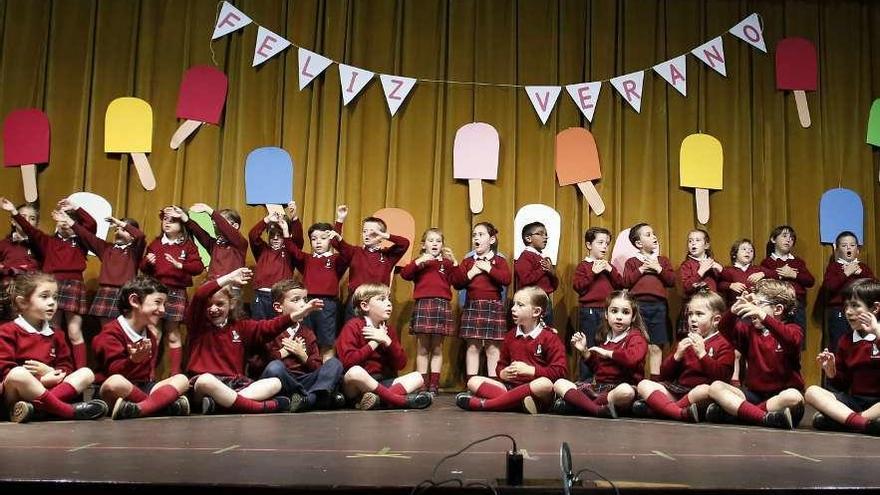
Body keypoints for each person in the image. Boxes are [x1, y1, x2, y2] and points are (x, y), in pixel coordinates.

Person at [186, 267, 322, 414]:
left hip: (235, 384)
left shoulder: (241, 327)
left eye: (219, 304)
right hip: (205, 384)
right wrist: (229, 277)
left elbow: (268, 327)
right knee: (206, 380)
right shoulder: (197, 325)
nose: (213, 309)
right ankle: (264, 406)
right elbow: (200, 295)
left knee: (275, 383)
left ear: (231, 304)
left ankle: (220, 404)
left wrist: (296, 315)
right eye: (209, 305)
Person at [1, 197, 95, 369]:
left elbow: (91, 224)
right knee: (52, 327)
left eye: (69, 219)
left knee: (74, 331)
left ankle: (80, 372)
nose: (65, 222)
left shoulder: (81, 241)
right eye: (61, 218)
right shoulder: (48, 241)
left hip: (73, 284)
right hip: (52, 284)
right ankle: (49, 365)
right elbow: (29, 229)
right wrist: (14, 212)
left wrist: (75, 208)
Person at [0, 272, 107, 423]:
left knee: (86, 373)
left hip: (49, 390)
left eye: (55, 297)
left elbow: (66, 367)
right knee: (17, 373)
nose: (52, 303)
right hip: (16, 395)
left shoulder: (57, 334)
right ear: (23, 302)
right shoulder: (7, 331)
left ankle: (36, 409)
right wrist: (41, 380)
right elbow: (5, 371)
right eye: (44, 297)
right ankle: (68, 411)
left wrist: (50, 372)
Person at [707, 279, 805, 430]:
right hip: (754, 395)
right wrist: (734, 310)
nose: (752, 308)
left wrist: (764, 317)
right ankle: (763, 417)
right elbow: (724, 329)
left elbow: (791, 340)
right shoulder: (749, 331)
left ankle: (741, 414)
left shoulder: (793, 329)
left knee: (794, 397)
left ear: (778, 309)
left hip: (780, 398)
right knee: (715, 387)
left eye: (758, 304)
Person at [92, 276, 190, 420]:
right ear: (134, 301)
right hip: (117, 388)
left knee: (182, 379)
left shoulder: (149, 335)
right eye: (157, 302)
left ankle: (141, 409)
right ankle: (160, 406)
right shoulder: (110, 333)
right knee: (116, 382)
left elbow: (146, 377)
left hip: (142, 388)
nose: (162, 310)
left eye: (164, 304)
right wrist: (133, 360)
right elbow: (113, 373)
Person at [456, 287, 566, 414]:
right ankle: (518, 403)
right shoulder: (510, 336)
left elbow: (559, 371)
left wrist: (531, 371)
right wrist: (502, 373)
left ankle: (488, 404)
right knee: (473, 382)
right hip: (511, 387)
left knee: (545, 384)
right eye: (514, 304)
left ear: (536, 312)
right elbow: (501, 364)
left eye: (520, 305)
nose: (513, 309)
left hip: (538, 391)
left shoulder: (549, 337)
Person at [633, 290, 734, 422]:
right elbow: (664, 375)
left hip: (701, 393)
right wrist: (676, 356)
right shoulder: (684, 342)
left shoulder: (724, 344)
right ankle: (679, 413)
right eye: (690, 314)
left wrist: (702, 354)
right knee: (644, 384)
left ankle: (662, 409)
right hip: (679, 391)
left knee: (703, 390)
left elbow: (721, 377)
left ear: (716, 320)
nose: (692, 319)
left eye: (699, 314)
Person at [552, 290, 648, 418]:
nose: (619, 316)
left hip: (621, 387)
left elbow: (632, 359)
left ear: (633, 317)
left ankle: (581, 406)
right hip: (600, 388)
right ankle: (597, 409)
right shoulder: (605, 337)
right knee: (559, 383)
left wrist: (609, 353)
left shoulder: (636, 337)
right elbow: (600, 369)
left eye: (625, 312)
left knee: (626, 391)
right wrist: (585, 352)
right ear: (606, 315)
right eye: (614, 311)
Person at [336, 283, 432, 410]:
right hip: (357, 386)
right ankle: (400, 401)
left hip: (382, 383)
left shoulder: (388, 330)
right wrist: (374, 343)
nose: (389, 303)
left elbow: (401, 364)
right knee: (355, 372)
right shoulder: (353, 326)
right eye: (382, 299)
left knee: (418, 377)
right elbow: (348, 362)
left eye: (389, 299)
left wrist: (387, 341)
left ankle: (377, 400)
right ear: (365, 306)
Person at [805, 278, 880, 434]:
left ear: (875, 308)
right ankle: (862, 423)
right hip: (855, 401)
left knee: (822, 420)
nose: (848, 312)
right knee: (812, 391)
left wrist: (876, 332)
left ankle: (846, 420)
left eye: (855, 306)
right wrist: (832, 372)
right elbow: (841, 386)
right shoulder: (845, 340)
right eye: (846, 306)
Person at [260, 279, 345, 412]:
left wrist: (303, 355)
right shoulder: (268, 330)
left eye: (305, 300)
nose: (303, 305)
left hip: (305, 381)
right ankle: (316, 398)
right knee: (275, 367)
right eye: (296, 300)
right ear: (278, 307)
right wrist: (283, 353)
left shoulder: (307, 333)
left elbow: (317, 367)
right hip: (283, 381)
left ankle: (308, 399)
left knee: (334, 364)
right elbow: (258, 364)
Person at [140, 206, 204, 375]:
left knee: (173, 334)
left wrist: (180, 265)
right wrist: (148, 262)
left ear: (181, 224)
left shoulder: (188, 246)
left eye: (172, 220)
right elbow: (143, 269)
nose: (167, 223)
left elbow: (198, 267)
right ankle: (148, 374)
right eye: (165, 219)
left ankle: (175, 376)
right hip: (156, 292)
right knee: (153, 333)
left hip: (176, 292)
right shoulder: (155, 244)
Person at [400, 228, 457, 395]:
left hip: (441, 305)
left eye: (438, 241)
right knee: (423, 348)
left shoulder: (445, 264)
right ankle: (422, 384)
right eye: (431, 240)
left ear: (442, 245)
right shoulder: (420, 262)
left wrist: (454, 262)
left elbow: (458, 279)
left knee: (437, 348)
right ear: (424, 245)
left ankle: (434, 385)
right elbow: (405, 274)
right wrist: (419, 262)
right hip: (424, 304)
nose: (434, 243)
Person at [451, 222, 511, 381]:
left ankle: (493, 384)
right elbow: (457, 282)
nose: (476, 238)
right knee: (472, 346)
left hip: (493, 306)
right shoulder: (469, 261)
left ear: (491, 240)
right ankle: (472, 384)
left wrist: (488, 268)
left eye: (481, 234)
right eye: (474, 235)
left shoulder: (499, 261)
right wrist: (472, 272)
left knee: (492, 347)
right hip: (473, 305)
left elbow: (506, 279)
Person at [74, 215, 145, 326]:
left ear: (132, 236)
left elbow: (140, 235)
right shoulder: (106, 248)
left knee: (124, 329)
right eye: (116, 230)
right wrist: (70, 220)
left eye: (124, 230)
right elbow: (86, 236)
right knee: (107, 329)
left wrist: (119, 223)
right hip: (106, 292)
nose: (118, 232)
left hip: (125, 293)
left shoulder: (134, 251)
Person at [572, 227, 622, 380]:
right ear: (588, 245)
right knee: (589, 346)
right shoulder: (584, 266)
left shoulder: (608, 267)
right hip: (590, 312)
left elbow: (620, 284)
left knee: (607, 345)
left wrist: (610, 269)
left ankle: (605, 379)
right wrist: (592, 272)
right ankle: (586, 381)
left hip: (608, 312)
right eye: (600, 243)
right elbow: (578, 286)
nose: (604, 247)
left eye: (607, 243)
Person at [821, 231, 875, 351]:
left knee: (862, 344)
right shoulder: (834, 267)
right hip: (839, 311)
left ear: (857, 249)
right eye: (844, 246)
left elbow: (874, 287)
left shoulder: (863, 267)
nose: (848, 248)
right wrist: (846, 273)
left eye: (852, 245)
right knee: (839, 344)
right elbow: (829, 287)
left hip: (862, 311)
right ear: (838, 250)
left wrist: (861, 273)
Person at [514, 222, 558, 323]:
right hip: (531, 301)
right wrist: (542, 269)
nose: (545, 237)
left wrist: (551, 272)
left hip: (545, 300)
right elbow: (525, 279)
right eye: (540, 234)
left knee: (546, 332)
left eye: (546, 234)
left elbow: (553, 286)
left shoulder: (542, 258)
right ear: (528, 238)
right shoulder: (525, 257)